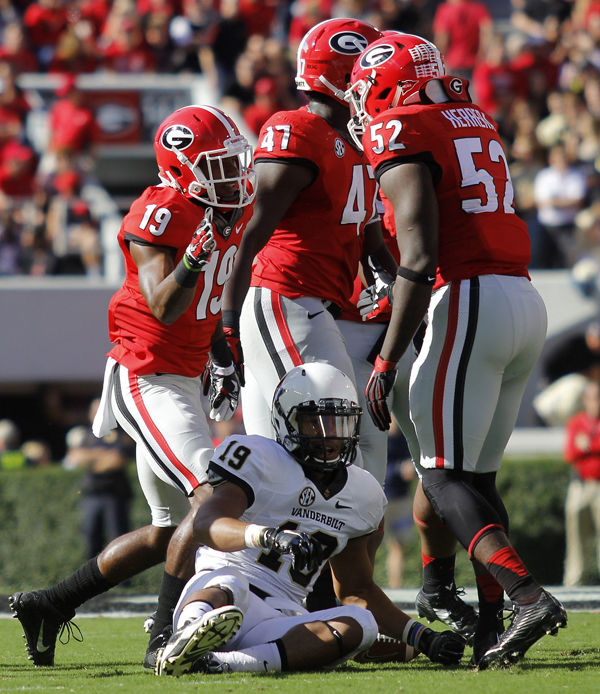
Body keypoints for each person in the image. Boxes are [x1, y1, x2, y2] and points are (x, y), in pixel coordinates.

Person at [345, 33, 567, 668]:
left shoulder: (401, 127)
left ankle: (525, 597)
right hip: (521, 299)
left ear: (385, 85)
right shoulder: (474, 118)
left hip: (468, 297)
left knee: (440, 476)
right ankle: (497, 626)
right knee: (474, 479)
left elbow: (417, 257)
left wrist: (386, 358)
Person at [9, 104, 256, 670]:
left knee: (167, 529)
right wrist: (197, 249)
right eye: (217, 166)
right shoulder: (161, 210)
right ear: (183, 168)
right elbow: (165, 305)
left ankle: (50, 603)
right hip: (146, 375)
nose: (232, 176)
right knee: (212, 499)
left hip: (184, 376)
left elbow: (208, 303)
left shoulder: (227, 213)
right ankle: (164, 639)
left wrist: (220, 359)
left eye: (232, 162)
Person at [154, 362, 465, 676]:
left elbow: (358, 590)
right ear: (286, 421)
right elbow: (206, 524)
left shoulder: (362, 492)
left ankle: (218, 664)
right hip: (218, 590)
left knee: (361, 625)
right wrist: (268, 536)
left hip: (277, 615)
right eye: (315, 423)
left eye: (338, 423)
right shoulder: (259, 456)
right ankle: (184, 637)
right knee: (231, 584)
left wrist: (424, 637)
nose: (329, 435)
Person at [62, 398, 134, 559]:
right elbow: (76, 457)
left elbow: (116, 460)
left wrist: (92, 459)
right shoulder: (87, 435)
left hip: (115, 494)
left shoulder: (121, 435)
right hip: (92, 494)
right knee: (90, 536)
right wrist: (101, 456)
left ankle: (124, 580)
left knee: (118, 538)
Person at [563, 378, 600, 586]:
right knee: (576, 535)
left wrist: (588, 445)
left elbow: (584, 446)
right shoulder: (576, 422)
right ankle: (574, 581)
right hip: (581, 484)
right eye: (593, 398)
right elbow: (570, 453)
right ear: (585, 400)